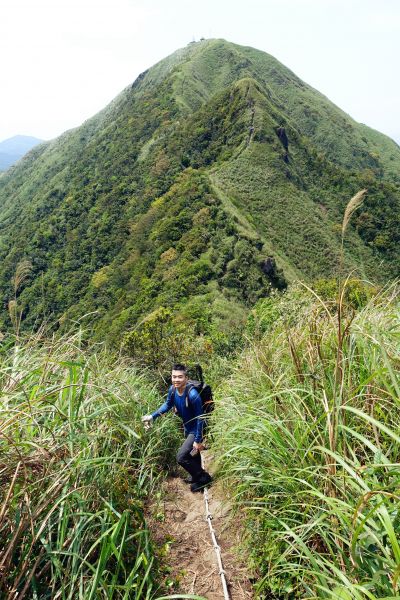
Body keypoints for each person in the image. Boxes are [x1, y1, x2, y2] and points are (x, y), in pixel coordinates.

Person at [142, 363, 212, 493]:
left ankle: (204, 478)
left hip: (197, 428)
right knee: (192, 453)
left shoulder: (192, 395)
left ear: (186, 377)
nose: (176, 380)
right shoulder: (173, 390)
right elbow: (167, 405)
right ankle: (196, 477)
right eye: (174, 377)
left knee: (181, 457)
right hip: (188, 426)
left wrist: (198, 439)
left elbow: (201, 418)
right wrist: (152, 416)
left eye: (180, 377)